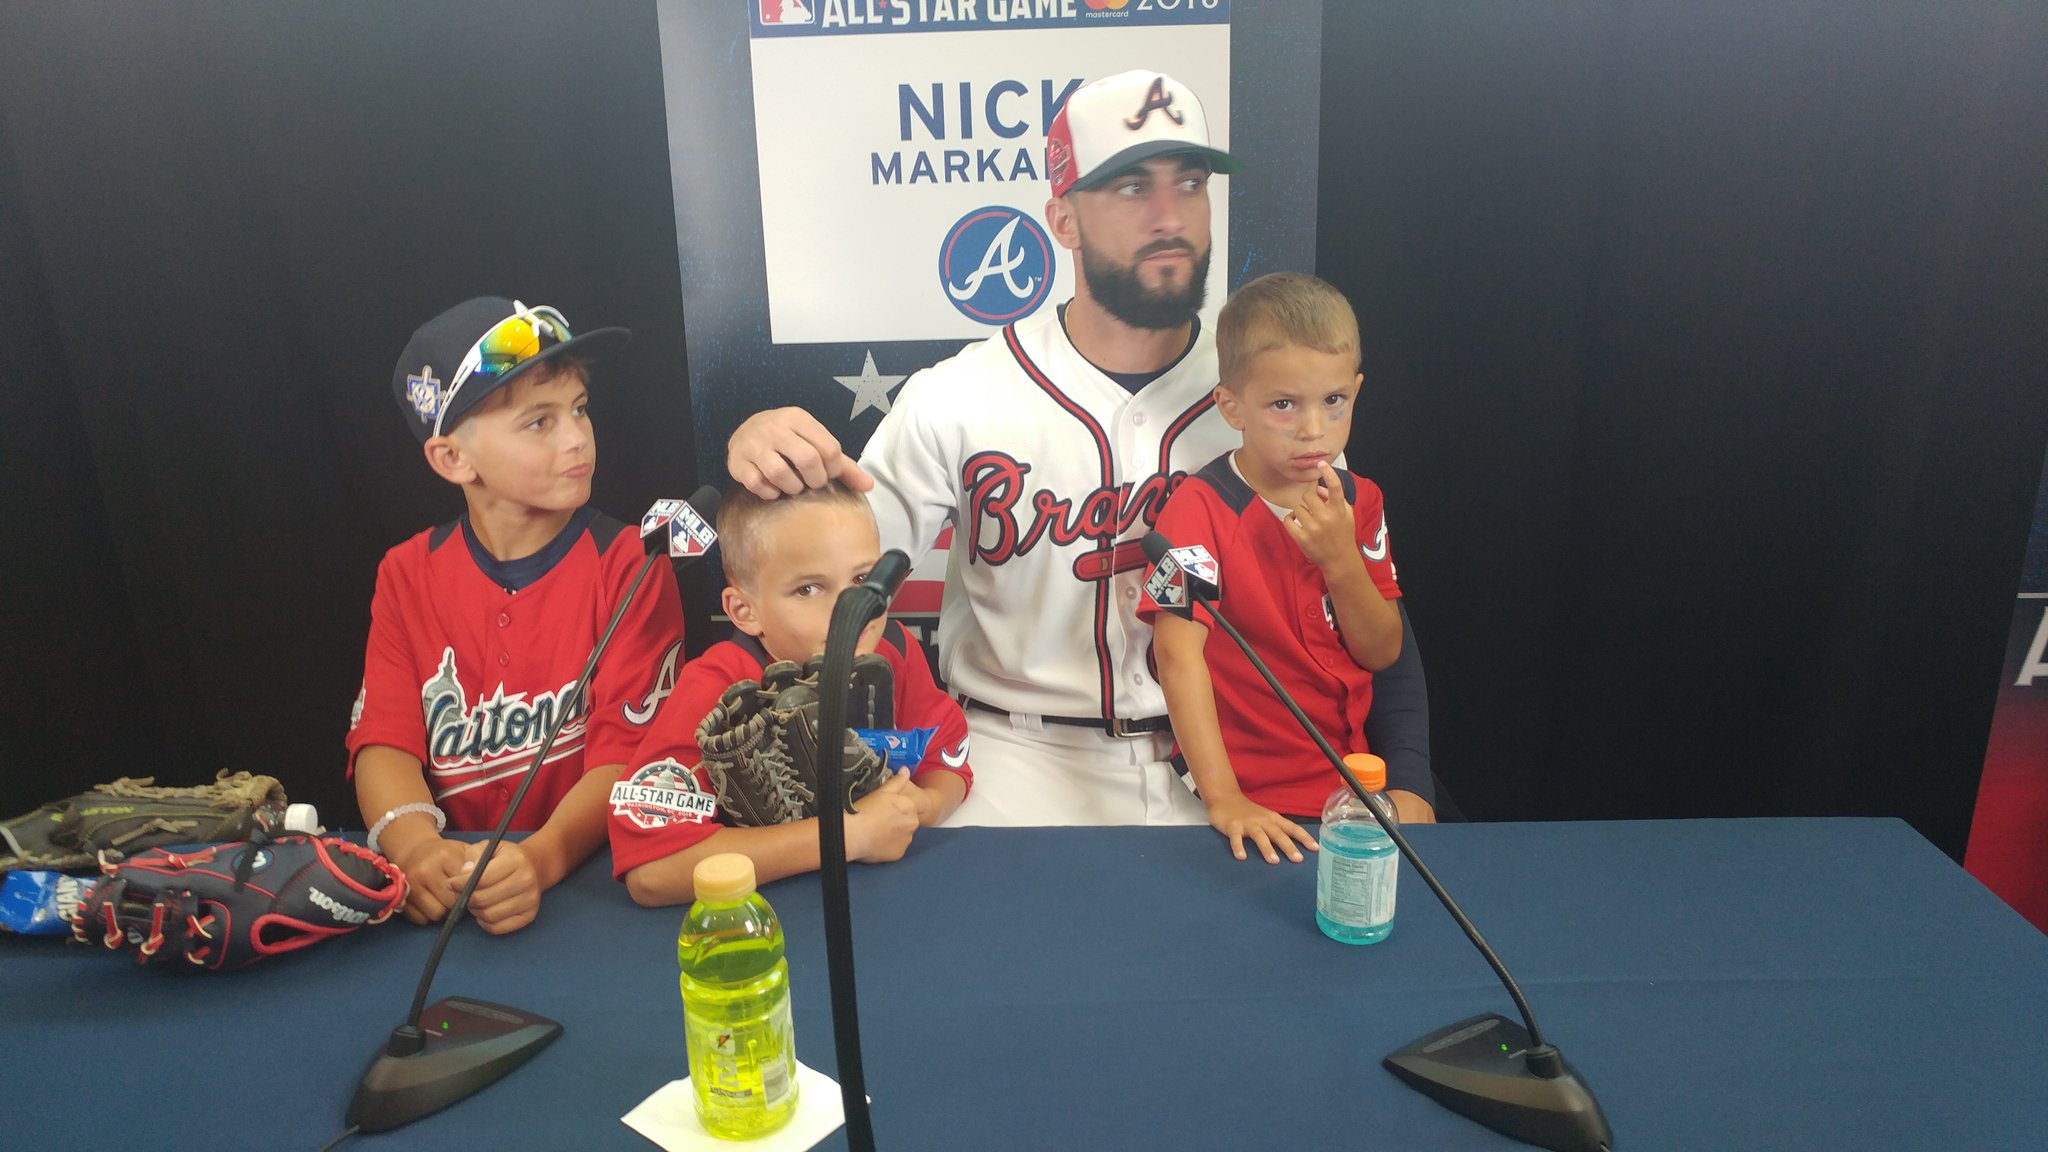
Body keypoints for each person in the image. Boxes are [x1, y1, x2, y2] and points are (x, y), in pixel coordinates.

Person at [726, 70, 1432, 827]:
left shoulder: (1272, 394)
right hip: (1011, 761)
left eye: (1189, 183)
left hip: (1239, 764)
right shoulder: (960, 395)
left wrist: (1415, 778)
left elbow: (1355, 588)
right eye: (1131, 188)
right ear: (1062, 221)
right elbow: (824, 581)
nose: (1170, 214)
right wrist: (763, 459)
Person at [348, 297, 685, 934]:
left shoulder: (632, 563)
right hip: (450, 887)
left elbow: (628, 759)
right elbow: (384, 743)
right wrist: (416, 849)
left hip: (593, 887)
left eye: (579, 409)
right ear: (453, 459)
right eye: (539, 422)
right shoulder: (406, 572)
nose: (577, 437)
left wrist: (539, 857)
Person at [1144, 273, 1435, 865]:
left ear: (1356, 390)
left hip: (1352, 789)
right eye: (1284, 405)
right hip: (1257, 800)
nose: (1313, 430)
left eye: (1334, 402)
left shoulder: (1362, 499)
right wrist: (1225, 798)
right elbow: (1178, 656)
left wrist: (1340, 560)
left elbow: (1383, 653)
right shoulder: (1194, 510)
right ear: (1231, 407)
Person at [608, 481, 971, 905]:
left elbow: (948, 761)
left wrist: (922, 806)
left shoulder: (893, 649)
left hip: (887, 904)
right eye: (808, 589)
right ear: (745, 611)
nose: (851, 608)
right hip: (763, 920)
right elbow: (651, 871)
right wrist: (847, 835)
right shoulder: (712, 686)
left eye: (862, 578)